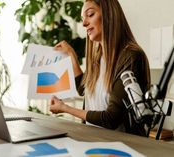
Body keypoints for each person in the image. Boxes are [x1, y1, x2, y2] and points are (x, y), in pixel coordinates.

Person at [50, 0, 151, 136]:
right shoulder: (98, 57)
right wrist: (71, 55)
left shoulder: (130, 57)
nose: (84, 23)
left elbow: (111, 119)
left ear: (109, 15)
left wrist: (65, 108)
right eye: (82, 18)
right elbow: (83, 88)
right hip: (95, 141)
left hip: (123, 146)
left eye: (90, 14)